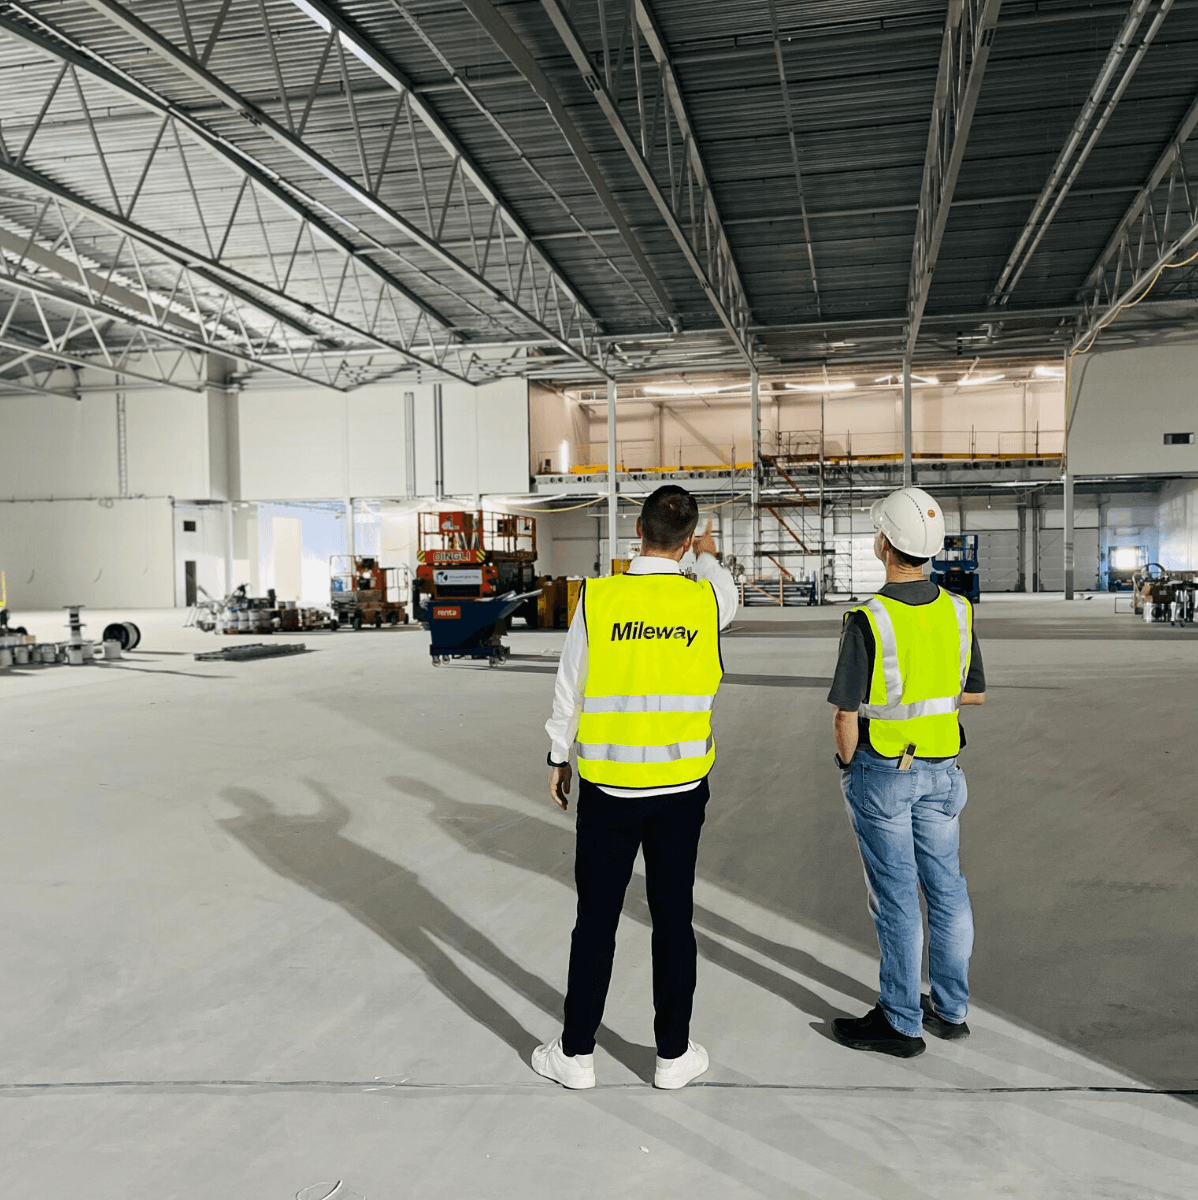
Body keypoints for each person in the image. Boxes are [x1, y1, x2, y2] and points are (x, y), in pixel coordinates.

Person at [533, 485, 737, 1090]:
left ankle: (575, 1055)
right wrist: (704, 553)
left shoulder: (599, 599)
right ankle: (672, 1056)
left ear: (637, 532)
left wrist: (558, 755)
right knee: (674, 919)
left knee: (596, 920)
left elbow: (571, 684)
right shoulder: (708, 601)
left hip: (609, 788)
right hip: (680, 788)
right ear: (689, 540)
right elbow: (720, 581)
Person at [827, 486, 986, 1058]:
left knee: (895, 899)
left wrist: (849, 766)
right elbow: (974, 693)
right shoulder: (959, 611)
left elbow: (845, 715)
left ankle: (899, 1022)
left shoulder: (868, 618)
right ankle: (950, 1010)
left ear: (885, 545)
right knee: (947, 891)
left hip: (885, 773)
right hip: (944, 771)